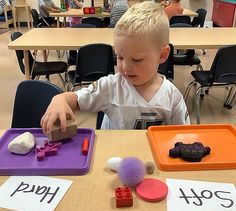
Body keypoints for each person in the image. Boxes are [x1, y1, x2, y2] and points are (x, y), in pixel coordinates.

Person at [41, 1, 190, 132]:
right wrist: (59, 100)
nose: (126, 67)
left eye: (137, 60)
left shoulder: (172, 96)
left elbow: (182, 138)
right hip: (114, 161)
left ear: (162, 55)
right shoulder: (110, 86)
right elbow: (75, 99)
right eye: (119, 57)